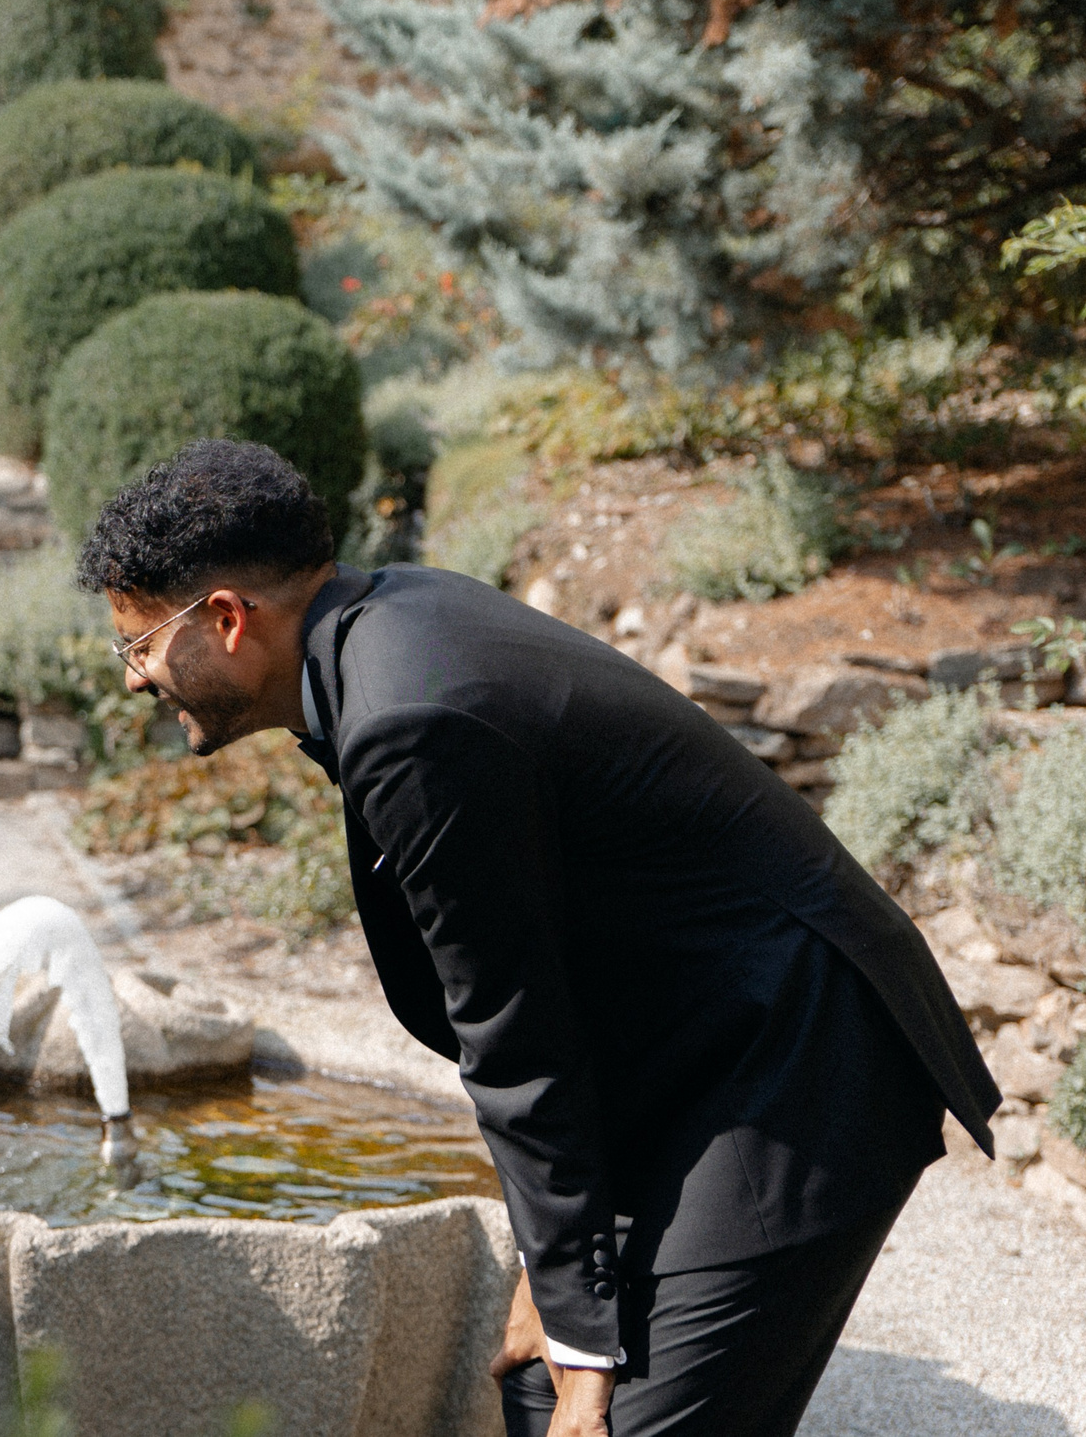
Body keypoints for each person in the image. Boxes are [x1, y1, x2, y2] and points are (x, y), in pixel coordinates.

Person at [74, 439, 998, 1437]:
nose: (135, 680)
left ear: (226, 618)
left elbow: (512, 1036)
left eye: (139, 645)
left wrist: (587, 1347)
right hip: (691, 1052)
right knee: (532, 1381)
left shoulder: (407, 716)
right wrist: (561, 1281)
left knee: (613, 1421)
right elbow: (547, 970)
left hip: (797, 1063)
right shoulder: (387, 626)